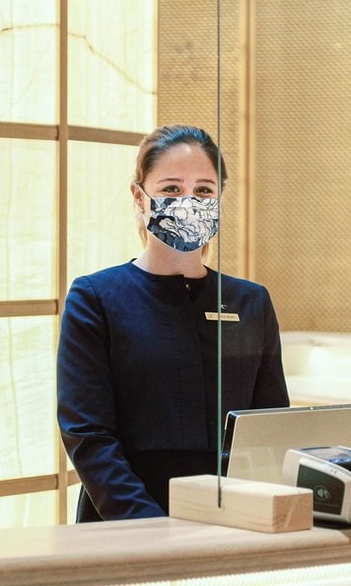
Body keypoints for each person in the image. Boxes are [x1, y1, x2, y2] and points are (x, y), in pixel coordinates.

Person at [57, 124, 290, 522]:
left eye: (203, 190)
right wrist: (147, 526)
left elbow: (271, 428)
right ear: (139, 196)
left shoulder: (250, 301)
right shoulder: (96, 297)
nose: (188, 202)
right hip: (125, 520)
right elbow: (88, 434)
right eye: (171, 189)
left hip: (232, 518)